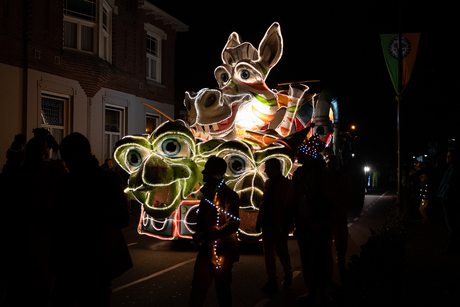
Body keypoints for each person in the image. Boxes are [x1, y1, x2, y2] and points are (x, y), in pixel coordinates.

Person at [51, 132, 132, 306]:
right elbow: (123, 218)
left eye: (66, 157)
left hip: (73, 262)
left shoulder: (66, 183)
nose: (65, 162)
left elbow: (57, 220)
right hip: (98, 263)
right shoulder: (108, 179)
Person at [284, 132, 337, 306]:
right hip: (304, 221)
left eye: (303, 154)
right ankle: (312, 290)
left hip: (319, 222)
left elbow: (331, 199)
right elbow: (292, 199)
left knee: (319, 257)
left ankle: (320, 290)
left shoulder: (324, 174)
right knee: (307, 257)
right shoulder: (299, 175)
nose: (300, 157)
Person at [189, 156, 240, 307]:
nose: (203, 172)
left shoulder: (228, 195)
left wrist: (205, 236)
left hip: (221, 252)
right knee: (197, 290)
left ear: (216, 173)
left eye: (207, 169)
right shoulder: (207, 193)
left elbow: (233, 224)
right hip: (206, 250)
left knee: (222, 292)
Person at [256, 158, 293, 293]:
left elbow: (289, 206)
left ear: (275, 169)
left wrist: (287, 222)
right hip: (268, 222)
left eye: (267, 168)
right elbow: (263, 203)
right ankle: (272, 280)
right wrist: (259, 220)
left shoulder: (287, 184)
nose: (265, 171)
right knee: (269, 254)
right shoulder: (268, 183)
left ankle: (287, 275)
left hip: (279, 222)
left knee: (281, 251)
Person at [325, 154, 352, 282]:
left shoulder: (342, 178)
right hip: (327, 217)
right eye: (329, 163)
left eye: (333, 163)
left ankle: (340, 267)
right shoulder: (322, 179)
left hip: (338, 216)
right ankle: (329, 273)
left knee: (341, 245)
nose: (331, 165)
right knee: (326, 247)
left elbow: (348, 195)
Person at [437, 149, 460, 254]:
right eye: (447, 156)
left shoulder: (454, 168)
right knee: (451, 223)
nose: (447, 158)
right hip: (448, 197)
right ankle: (453, 245)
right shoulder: (451, 167)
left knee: (451, 223)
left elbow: (450, 184)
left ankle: (452, 247)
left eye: (449, 156)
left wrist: (445, 195)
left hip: (449, 199)